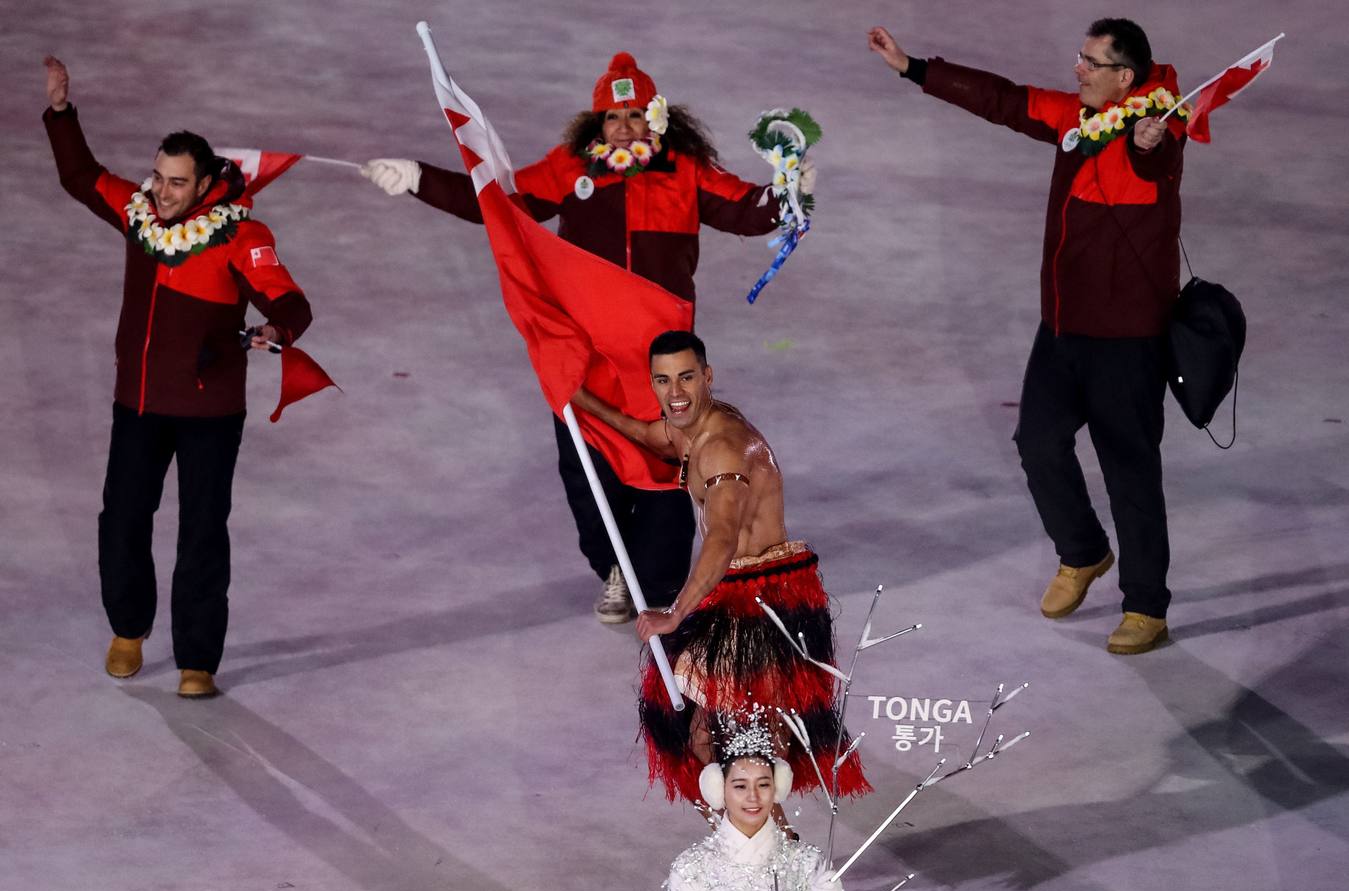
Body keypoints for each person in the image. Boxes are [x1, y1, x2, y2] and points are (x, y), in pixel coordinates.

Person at [362, 53, 813, 624]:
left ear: (656, 119)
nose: (622, 126)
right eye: (611, 117)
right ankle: (614, 567)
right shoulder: (566, 170)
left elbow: (749, 211)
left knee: (666, 473)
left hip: (660, 360)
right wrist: (419, 179)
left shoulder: (687, 169)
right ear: (595, 126)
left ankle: (663, 587)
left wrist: (789, 189)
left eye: (632, 114)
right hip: (587, 354)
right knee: (585, 472)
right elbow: (499, 203)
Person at [867, 19, 1186, 654]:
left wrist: (1150, 140)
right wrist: (916, 68)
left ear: (1127, 78)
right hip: (1063, 326)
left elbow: (1160, 153)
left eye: (1092, 63)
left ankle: (1147, 606)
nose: (1079, 70)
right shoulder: (1076, 120)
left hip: (1126, 339)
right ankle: (1084, 551)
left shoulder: (1160, 127)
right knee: (1038, 442)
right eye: (1080, 57)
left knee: (1130, 472)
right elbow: (1007, 100)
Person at [43, 56, 313, 696]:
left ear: (204, 186)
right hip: (137, 403)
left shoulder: (241, 236)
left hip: (210, 414)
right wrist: (61, 113)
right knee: (123, 519)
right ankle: (129, 628)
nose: (160, 192)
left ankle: (197, 658)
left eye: (175, 183)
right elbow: (82, 177)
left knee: (201, 532)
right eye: (158, 177)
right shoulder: (139, 218)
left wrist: (279, 329)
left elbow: (291, 302)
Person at [571, 330, 869, 810]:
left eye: (687, 378)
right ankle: (741, 838)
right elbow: (653, 436)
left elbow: (722, 539)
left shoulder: (725, 451)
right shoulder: (690, 427)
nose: (676, 393)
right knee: (712, 734)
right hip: (737, 590)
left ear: (707, 377)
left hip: (764, 601)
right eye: (664, 381)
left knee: (751, 743)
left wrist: (674, 614)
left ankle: (767, 848)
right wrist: (579, 399)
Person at [663, 709, 844, 891]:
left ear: (777, 787)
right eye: (740, 786)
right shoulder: (691, 871)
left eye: (763, 784)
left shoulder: (808, 864)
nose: (753, 796)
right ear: (719, 789)